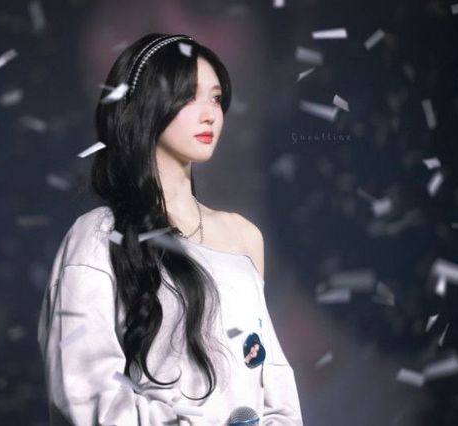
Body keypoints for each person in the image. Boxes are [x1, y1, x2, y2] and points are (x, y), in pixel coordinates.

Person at [38, 32, 303, 425]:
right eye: (189, 96)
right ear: (147, 103)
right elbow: (85, 390)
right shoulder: (99, 235)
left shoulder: (244, 237)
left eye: (216, 98)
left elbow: (271, 382)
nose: (210, 114)